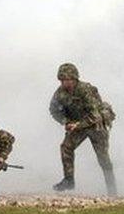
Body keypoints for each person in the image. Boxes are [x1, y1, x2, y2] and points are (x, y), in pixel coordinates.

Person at [49, 63, 117, 196]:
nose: (66, 83)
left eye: (69, 80)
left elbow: (96, 115)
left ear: (75, 79)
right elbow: (53, 110)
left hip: (96, 126)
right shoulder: (60, 93)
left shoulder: (85, 90)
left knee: (103, 158)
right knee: (66, 147)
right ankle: (69, 180)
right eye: (63, 80)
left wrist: (78, 125)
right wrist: (66, 122)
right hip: (78, 125)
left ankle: (112, 190)